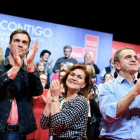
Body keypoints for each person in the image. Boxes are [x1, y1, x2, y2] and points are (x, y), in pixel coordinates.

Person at [0, 29, 43, 140]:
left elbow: (37, 91)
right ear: (9, 44)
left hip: (19, 131)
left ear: (28, 48)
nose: (20, 45)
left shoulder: (30, 69)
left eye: (25, 43)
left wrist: (29, 66)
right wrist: (14, 69)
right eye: (17, 41)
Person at [40, 64, 92, 139]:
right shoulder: (60, 100)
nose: (74, 78)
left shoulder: (81, 101)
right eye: (72, 75)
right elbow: (43, 124)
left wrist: (55, 97)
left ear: (84, 84)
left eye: (79, 77)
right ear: (67, 77)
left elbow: (58, 123)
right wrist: (48, 103)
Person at [98, 47, 140, 140]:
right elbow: (109, 115)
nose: (134, 59)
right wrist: (135, 92)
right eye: (128, 57)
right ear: (117, 65)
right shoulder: (108, 87)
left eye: (135, 58)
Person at [26, 73, 49, 140]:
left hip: (43, 120)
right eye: (41, 79)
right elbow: (29, 102)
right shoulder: (32, 91)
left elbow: (48, 102)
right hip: (32, 118)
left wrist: (41, 91)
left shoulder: (48, 91)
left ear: (46, 82)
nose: (42, 81)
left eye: (44, 79)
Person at [85, 63, 102, 140]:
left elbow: (97, 105)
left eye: (89, 68)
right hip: (80, 117)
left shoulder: (95, 87)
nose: (87, 70)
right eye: (85, 68)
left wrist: (90, 98)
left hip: (92, 118)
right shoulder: (79, 84)